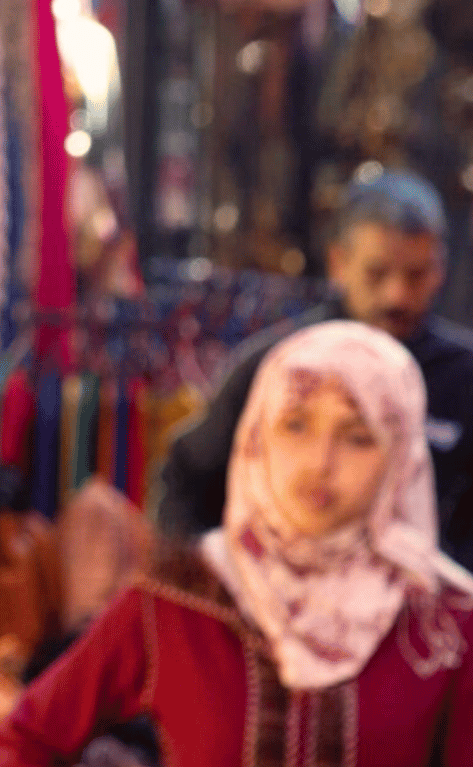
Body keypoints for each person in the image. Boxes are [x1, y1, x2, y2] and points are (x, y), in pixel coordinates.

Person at [0, 322, 473, 767]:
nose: (320, 462)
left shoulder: (445, 625)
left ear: (401, 457)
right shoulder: (177, 601)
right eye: (295, 425)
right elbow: (24, 739)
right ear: (257, 436)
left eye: (358, 436)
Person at [159, 168, 473, 569]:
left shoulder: (464, 379)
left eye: (415, 275)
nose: (397, 295)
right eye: (376, 274)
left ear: (439, 270)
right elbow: (187, 478)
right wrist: (213, 587)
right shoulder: (277, 366)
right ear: (339, 262)